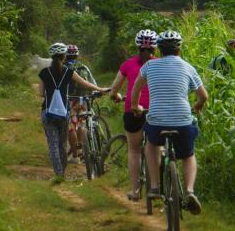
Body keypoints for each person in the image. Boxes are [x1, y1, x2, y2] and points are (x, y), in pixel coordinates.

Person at [131, 30, 208, 215]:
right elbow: (204, 96)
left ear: (160, 50)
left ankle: (155, 187)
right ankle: (189, 191)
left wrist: (135, 106)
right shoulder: (188, 67)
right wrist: (197, 105)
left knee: (151, 144)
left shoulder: (149, 66)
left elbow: (136, 88)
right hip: (182, 120)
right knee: (188, 155)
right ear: (179, 50)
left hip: (157, 121)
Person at [37, 42, 109, 184]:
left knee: (53, 144)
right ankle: (62, 172)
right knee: (62, 144)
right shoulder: (69, 72)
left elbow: (41, 93)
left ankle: (58, 175)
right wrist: (101, 89)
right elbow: (86, 84)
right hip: (63, 112)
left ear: (52, 56)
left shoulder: (44, 73)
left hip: (48, 111)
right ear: (64, 56)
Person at [109, 29, 158, 201]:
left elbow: (115, 89)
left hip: (133, 111)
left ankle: (135, 190)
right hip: (155, 112)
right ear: (155, 47)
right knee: (156, 147)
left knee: (134, 150)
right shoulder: (159, 63)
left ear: (138, 46)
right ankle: (156, 186)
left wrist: (115, 96)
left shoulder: (128, 64)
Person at [64, 44, 97, 163]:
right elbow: (92, 83)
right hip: (83, 100)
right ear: (77, 55)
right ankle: (84, 152)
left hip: (70, 100)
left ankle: (75, 156)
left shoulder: (62, 68)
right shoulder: (84, 67)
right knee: (82, 124)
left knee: (71, 127)